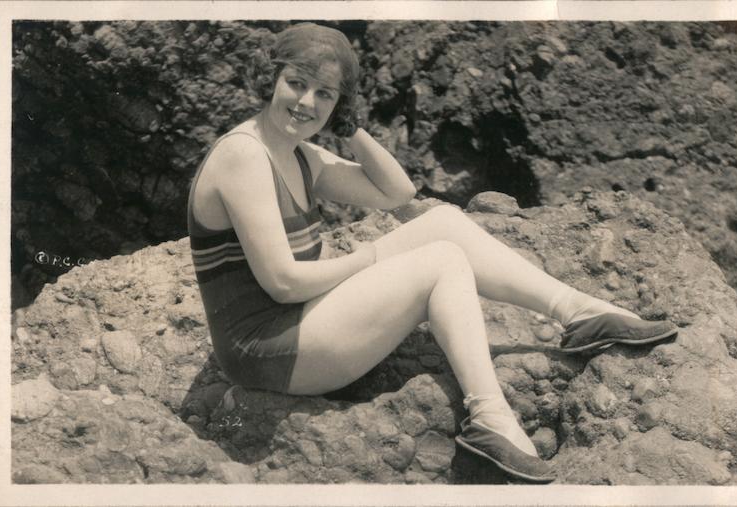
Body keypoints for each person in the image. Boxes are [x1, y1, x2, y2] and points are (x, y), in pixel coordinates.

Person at [186, 23, 677, 483]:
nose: (306, 102)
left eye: (325, 94)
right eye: (296, 83)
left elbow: (396, 191)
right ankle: (490, 417)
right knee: (440, 260)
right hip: (267, 351)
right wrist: (371, 259)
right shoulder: (244, 154)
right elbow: (283, 282)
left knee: (441, 222)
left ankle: (580, 313)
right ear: (270, 78)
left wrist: (350, 125)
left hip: (297, 322)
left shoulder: (298, 153)